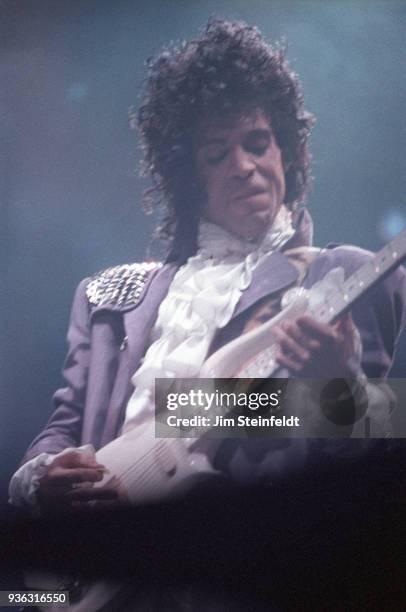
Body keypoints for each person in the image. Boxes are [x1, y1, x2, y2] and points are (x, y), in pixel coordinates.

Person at [9, 19, 406, 515]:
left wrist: (336, 388)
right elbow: (65, 426)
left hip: (235, 570)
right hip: (92, 576)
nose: (243, 166)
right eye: (218, 154)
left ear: (288, 151)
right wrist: (42, 475)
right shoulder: (109, 294)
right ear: (190, 177)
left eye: (258, 144)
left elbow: (379, 447)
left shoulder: (343, 275)